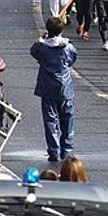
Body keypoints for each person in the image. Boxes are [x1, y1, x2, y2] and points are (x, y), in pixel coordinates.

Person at [30, 16, 77, 162]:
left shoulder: (42, 48)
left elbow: (33, 50)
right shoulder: (68, 47)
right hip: (65, 87)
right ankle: (67, 150)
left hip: (47, 87)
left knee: (51, 121)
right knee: (68, 120)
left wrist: (41, 39)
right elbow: (73, 58)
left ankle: (53, 151)